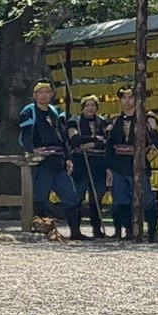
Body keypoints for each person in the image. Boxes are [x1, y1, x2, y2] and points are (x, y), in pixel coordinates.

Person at [19, 81, 84, 239]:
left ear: (52, 95)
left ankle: (76, 232)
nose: (43, 95)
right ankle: (40, 232)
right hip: (42, 160)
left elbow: (64, 136)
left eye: (47, 92)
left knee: (72, 196)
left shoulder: (57, 112)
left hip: (59, 159)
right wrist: (32, 150)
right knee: (40, 197)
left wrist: (68, 157)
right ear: (35, 95)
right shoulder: (29, 111)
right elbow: (26, 134)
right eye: (40, 92)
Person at [104, 88, 158, 242]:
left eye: (131, 97)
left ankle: (152, 233)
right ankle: (129, 231)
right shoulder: (115, 121)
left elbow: (156, 141)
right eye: (124, 97)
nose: (127, 101)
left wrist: (153, 131)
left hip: (139, 164)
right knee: (121, 200)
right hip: (118, 165)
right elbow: (109, 147)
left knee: (147, 200)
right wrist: (108, 168)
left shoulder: (145, 119)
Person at [68, 94, 108, 239]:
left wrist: (89, 144)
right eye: (87, 105)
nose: (90, 108)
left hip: (98, 162)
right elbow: (74, 140)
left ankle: (97, 229)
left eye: (93, 105)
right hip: (81, 162)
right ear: (83, 107)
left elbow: (107, 141)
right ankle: (75, 230)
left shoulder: (102, 122)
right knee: (78, 196)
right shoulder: (75, 121)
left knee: (96, 198)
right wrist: (94, 139)